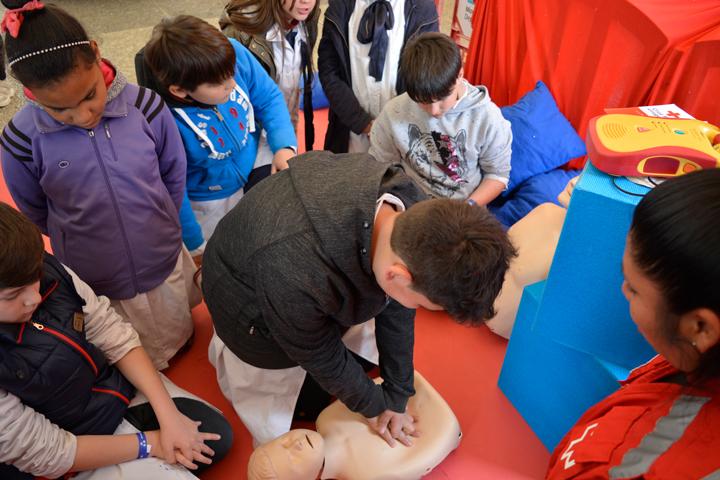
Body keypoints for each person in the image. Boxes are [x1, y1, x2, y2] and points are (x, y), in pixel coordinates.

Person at [202, 150, 516, 446]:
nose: (417, 310)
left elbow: (397, 308)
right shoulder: (295, 270)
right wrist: (375, 407)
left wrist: (398, 392)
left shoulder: (415, 210)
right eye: (423, 305)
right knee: (301, 406)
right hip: (249, 310)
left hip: (299, 274)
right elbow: (318, 351)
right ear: (397, 275)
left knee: (369, 355)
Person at [0, 1, 198, 370]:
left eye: (90, 95)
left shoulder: (146, 106)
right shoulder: (20, 139)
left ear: (95, 53)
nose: (82, 115)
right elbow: (34, 208)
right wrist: (77, 235)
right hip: (95, 266)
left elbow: (173, 172)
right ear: (30, 91)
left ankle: (177, 343)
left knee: (172, 318)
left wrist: (162, 217)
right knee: (120, 339)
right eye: (60, 110)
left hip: (158, 246)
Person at [0, 202, 233, 480]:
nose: (34, 298)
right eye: (13, 296)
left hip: (110, 395)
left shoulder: (44, 269)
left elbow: (111, 332)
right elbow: (47, 451)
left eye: (35, 277)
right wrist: (152, 443)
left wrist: (168, 416)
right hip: (67, 444)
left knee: (213, 437)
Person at [546, 168, 720, 479]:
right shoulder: (693, 357)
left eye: (634, 287)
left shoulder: (617, 467)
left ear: (701, 328)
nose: (623, 290)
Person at [140, 15, 297, 262]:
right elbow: (173, 186)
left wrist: (284, 145)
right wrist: (194, 244)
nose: (233, 85)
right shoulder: (162, 121)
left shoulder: (229, 55)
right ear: (180, 90)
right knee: (229, 259)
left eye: (231, 74)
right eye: (219, 84)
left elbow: (267, 96)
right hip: (209, 199)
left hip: (254, 157)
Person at [369, 32, 512, 206]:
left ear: (459, 75)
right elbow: (381, 168)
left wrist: (468, 207)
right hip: (408, 205)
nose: (434, 111)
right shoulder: (393, 113)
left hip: (462, 209)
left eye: (442, 99)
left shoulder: (488, 118)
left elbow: (497, 175)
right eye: (423, 102)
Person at [247, 371, 461, 480]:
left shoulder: (325, 418)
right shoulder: (365, 476)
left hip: (409, 388)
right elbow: (423, 454)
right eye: (291, 460)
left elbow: (377, 386)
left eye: (282, 441)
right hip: (440, 424)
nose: (295, 444)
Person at [318, 0, 439, 154]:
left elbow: (425, 74)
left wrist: (395, 127)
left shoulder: (422, 8)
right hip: (349, 132)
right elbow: (329, 73)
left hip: (402, 136)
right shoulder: (340, 7)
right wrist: (364, 124)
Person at [220, 0, 320, 150]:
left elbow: (292, 83)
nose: (306, 1)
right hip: (251, 141)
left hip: (285, 127)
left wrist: (288, 137)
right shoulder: (240, 32)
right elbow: (228, 100)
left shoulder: (306, 18)